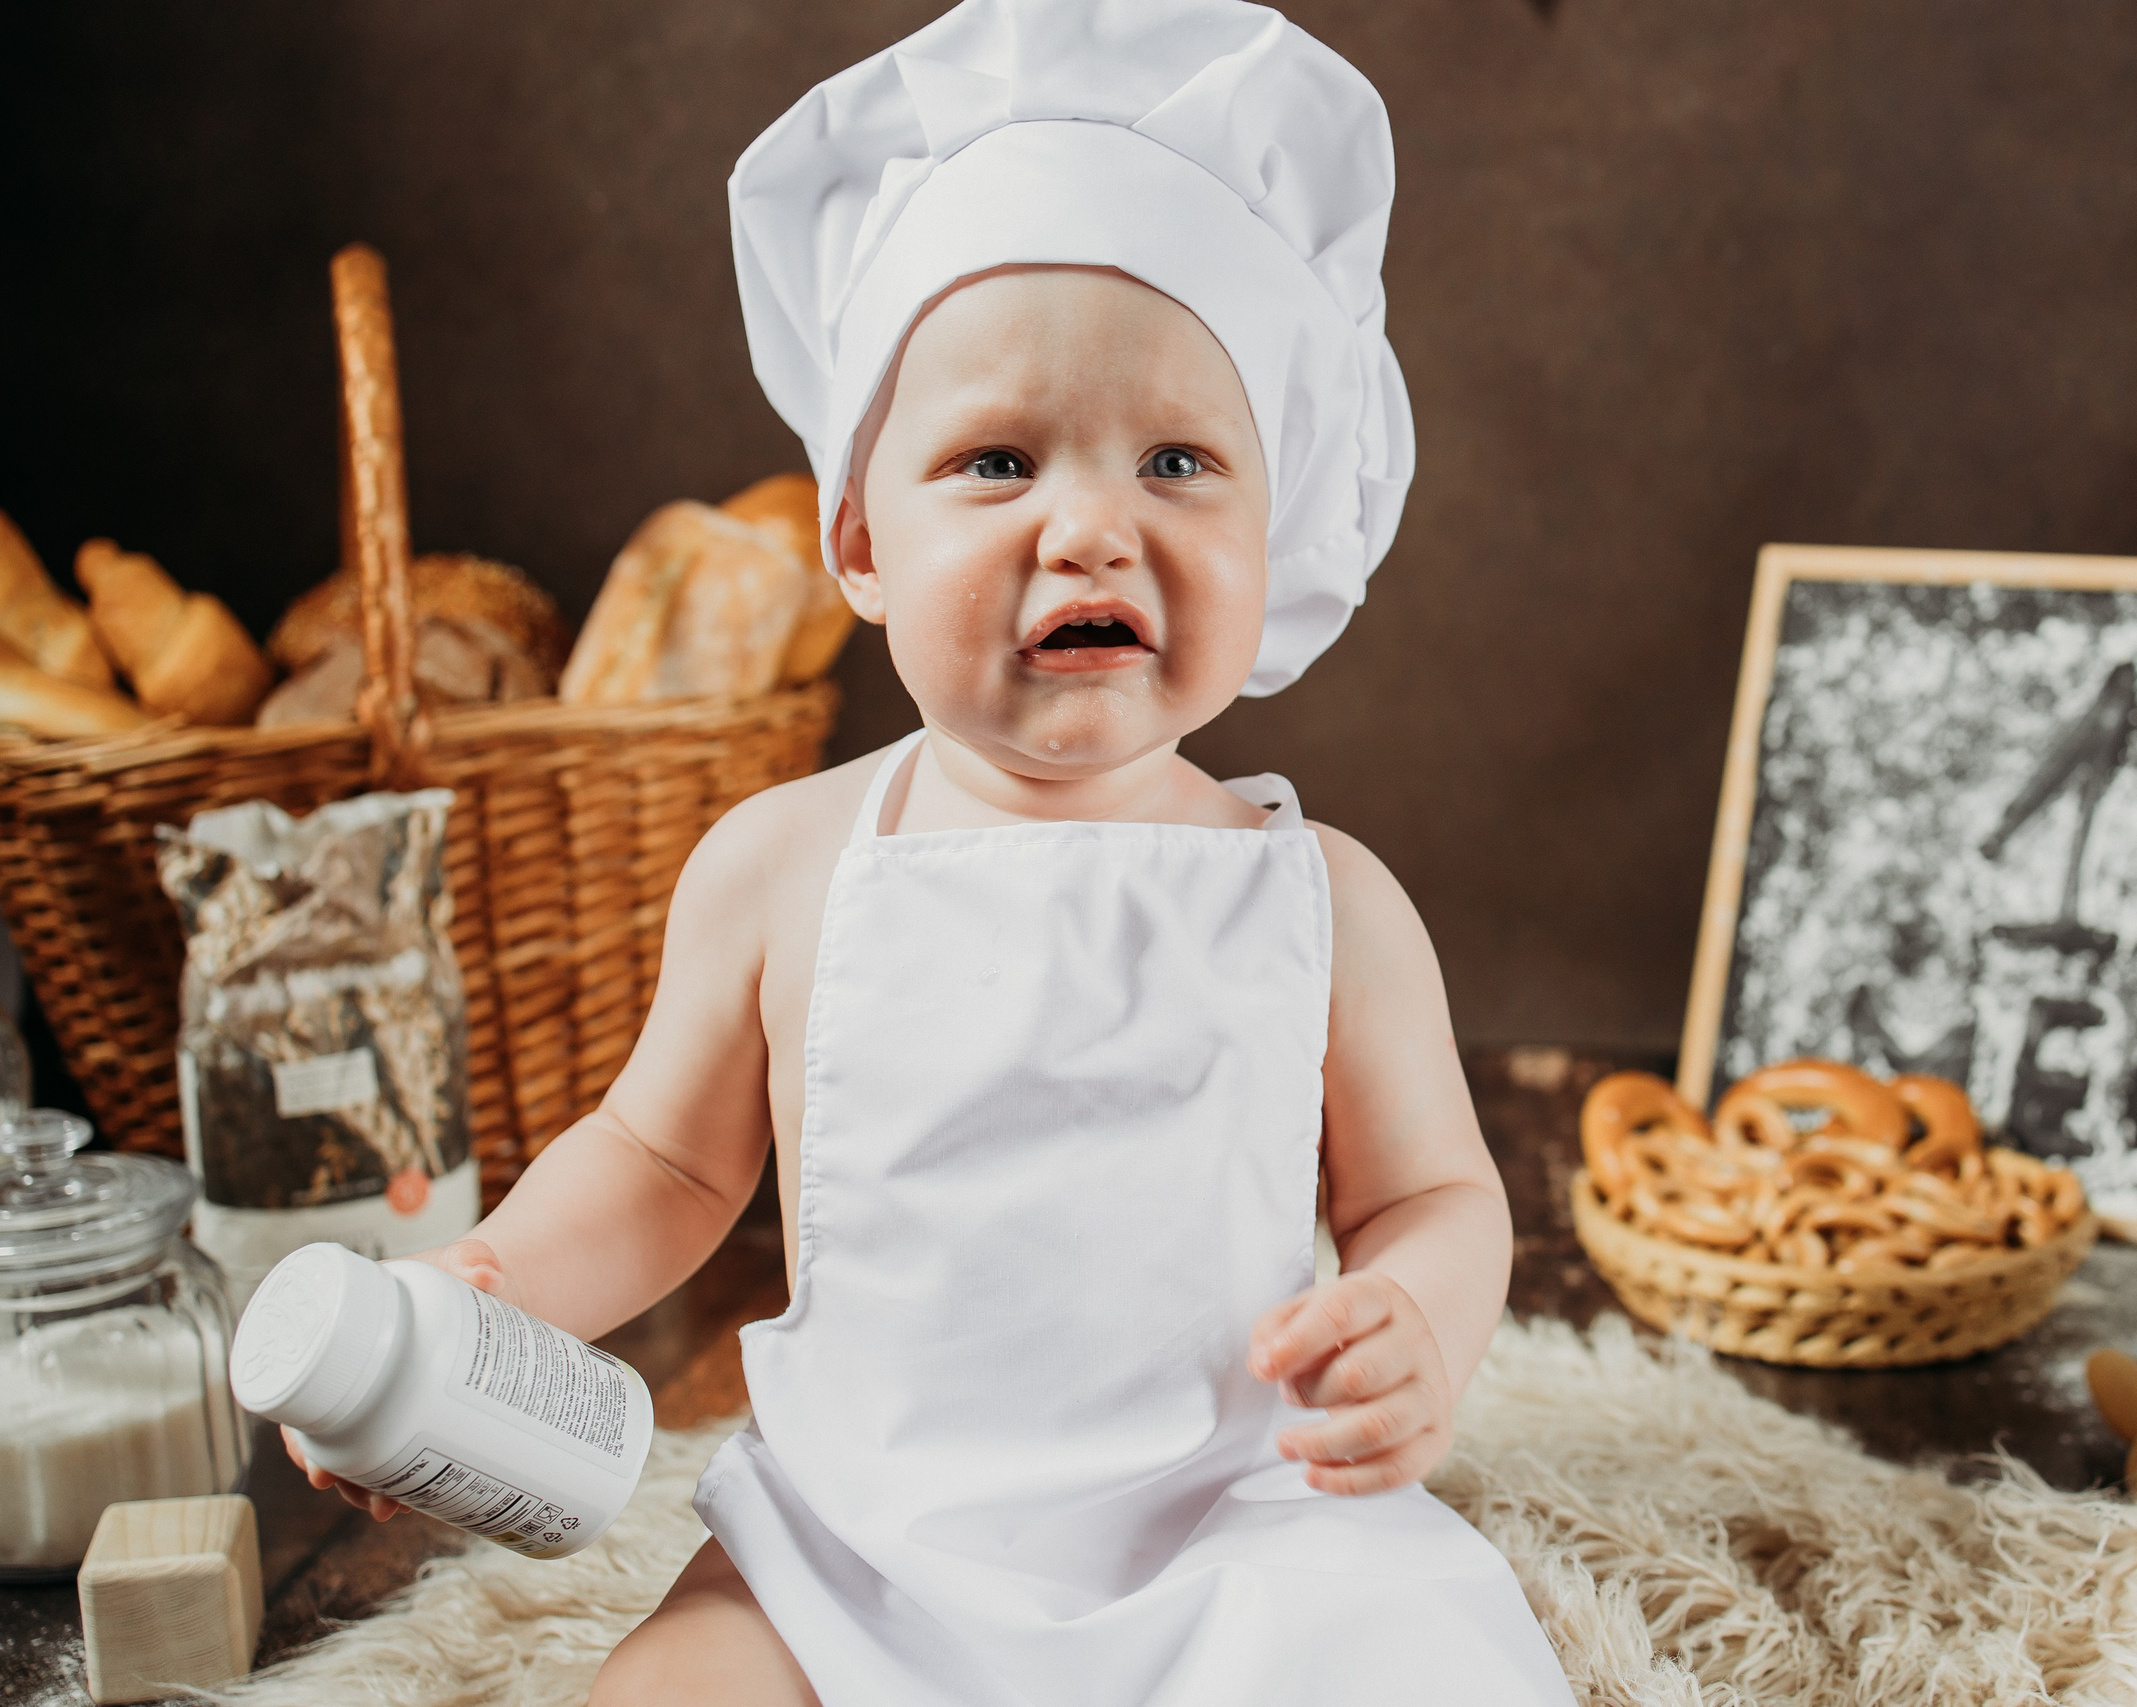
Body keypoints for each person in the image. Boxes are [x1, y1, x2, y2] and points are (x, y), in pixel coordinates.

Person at [292, 2, 1574, 1700]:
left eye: (1179, 460)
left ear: (1276, 531)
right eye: (996, 460)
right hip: (860, 1538)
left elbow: (1430, 1197)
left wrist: (1422, 1319)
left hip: (1234, 1521)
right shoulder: (781, 863)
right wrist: (488, 1292)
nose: (1091, 524)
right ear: (860, 542)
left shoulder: (1323, 898)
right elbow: (663, 1166)